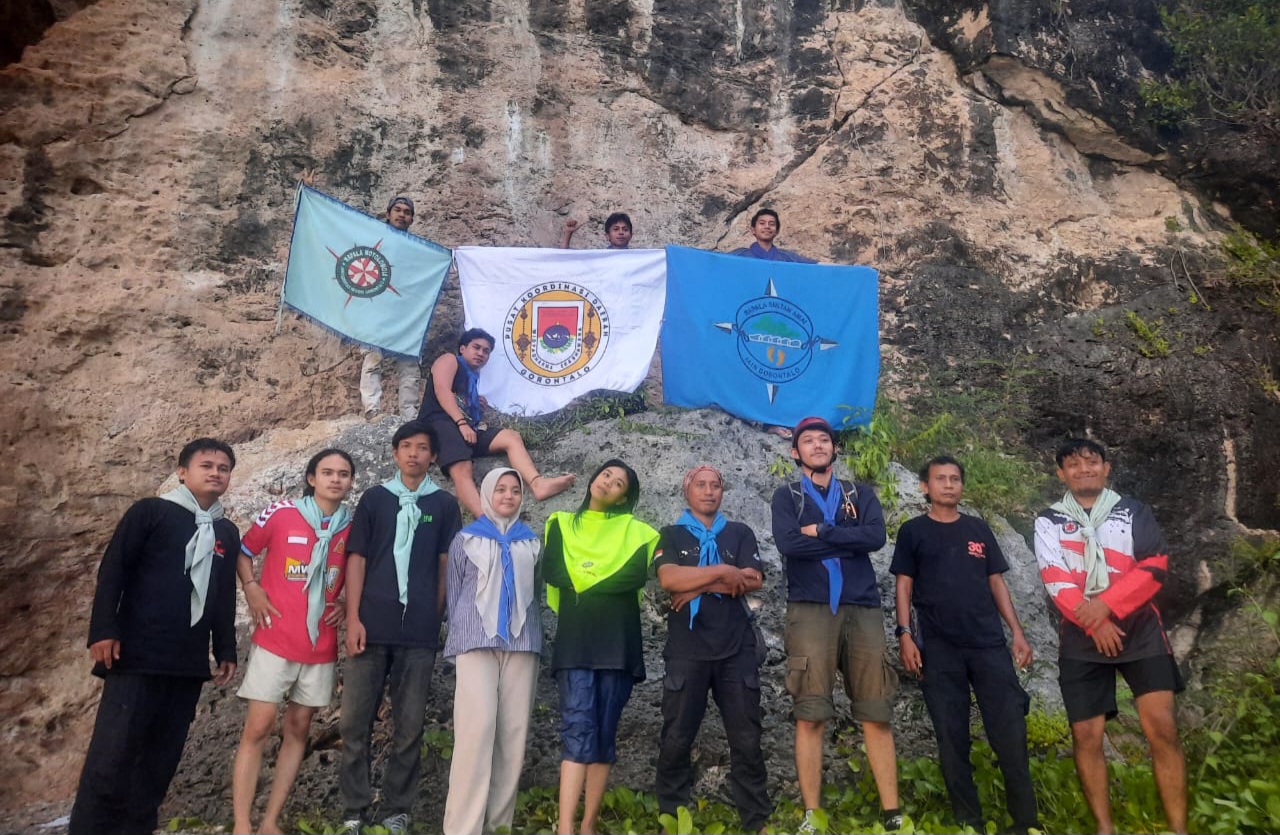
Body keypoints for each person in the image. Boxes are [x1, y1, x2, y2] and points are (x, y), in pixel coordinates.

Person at [69, 439, 240, 835]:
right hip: (136, 656)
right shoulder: (150, 512)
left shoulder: (226, 532)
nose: (216, 473)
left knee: (159, 763)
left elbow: (222, 594)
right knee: (111, 758)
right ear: (182, 472)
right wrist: (103, 630)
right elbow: (114, 569)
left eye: (223, 468)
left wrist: (225, 647)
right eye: (206, 465)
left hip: (186, 664)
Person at [1034, 438, 1186, 835]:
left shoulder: (1134, 511)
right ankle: (1105, 827)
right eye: (1073, 464)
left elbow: (1155, 564)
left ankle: (1179, 828)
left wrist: (1106, 607)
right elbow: (1054, 576)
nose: (1083, 469)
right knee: (1086, 735)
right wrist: (1095, 622)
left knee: (1162, 728)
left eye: (1091, 462)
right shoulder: (1048, 521)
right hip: (1081, 634)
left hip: (1140, 629)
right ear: (1061, 474)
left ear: (1106, 468)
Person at [891, 455, 1040, 835]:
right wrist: (905, 634)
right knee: (951, 736)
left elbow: (996, 582)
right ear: (925, 487)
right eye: (940, 479)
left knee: (1010, 732)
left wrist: (1017, 632)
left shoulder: (978, 529)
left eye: (955, 478)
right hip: (939, 648)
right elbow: (904, 584)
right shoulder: (913, 531)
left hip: (988, 644)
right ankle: (969, 822)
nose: (948, 485)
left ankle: (1025, 821)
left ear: (962, 485)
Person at [769, 416, 900, 834]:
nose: (818, 445)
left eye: (824, 439)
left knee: (876, 711)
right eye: (808, 440)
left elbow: (875, 537)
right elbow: (789, 544)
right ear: (795, 452)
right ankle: (813, 814)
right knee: (810, 712)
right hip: (810, 609)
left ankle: (893, 814)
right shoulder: (787, 497)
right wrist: (846, 538)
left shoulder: (859, 494)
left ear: (835, 448)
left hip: (862, 607)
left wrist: (823, 530)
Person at [338, 422, 462, 835]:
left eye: (422, 447)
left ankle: (397, 809)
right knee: (354, 723)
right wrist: (353, 618)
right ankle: (354, 810)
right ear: (394, 454)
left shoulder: (443, 504)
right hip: (370, 626)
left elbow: (446, 564)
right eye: (406, 446)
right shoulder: (375, 499)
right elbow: (356, 558)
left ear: (433, 456)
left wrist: (435, 616)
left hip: (418, 634)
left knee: (410, 726)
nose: (413, 454)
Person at [231, 448, 357, 835]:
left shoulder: (353, 526)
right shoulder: (282, 512)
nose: (335, 479)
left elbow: (360, 571)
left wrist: (346, 604)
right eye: (327, 472)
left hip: (320, 645)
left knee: (299, 728)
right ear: (311, 478)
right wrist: (251, 587)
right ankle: (241, 823)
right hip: (275, 636)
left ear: (351, 482)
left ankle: (270, 821)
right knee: (259, 726)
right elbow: (244, 551)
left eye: (343, 474)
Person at [654, 465, 772, 833]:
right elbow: (669, 578)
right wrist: (724, 572)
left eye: (715, 485)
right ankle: (672, 817)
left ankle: (756, 819)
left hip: (736, 650)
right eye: (701, 485)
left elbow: (752, 579)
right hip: (687, 650)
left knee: (747, 737)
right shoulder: (671, 534)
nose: (709, 491)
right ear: (686, 491)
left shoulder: (739, 533)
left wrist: (697, 586)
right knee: (676, 737)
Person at [544, 459, 659, 835]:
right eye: (606, 474)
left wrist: (584, 578)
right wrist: (596, 577)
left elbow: (633, 576)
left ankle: (588, 825)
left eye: (618, 483)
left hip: (617, 643)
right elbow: (553, 571)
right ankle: (565, 827)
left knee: (605, 734)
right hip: (576, 642)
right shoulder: (560, 523)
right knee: (577, 729)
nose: (608, 482)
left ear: (624, 498)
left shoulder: (637, 532)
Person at [442, 468, 543, 835]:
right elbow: (454, 592)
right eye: (500, 489)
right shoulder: (466, 540)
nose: (508, 496)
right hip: (475, 641)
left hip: (522, 643)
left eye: (515, 490)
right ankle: (463, 828)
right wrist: (463, 632)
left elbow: (536, 593)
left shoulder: (531, 543)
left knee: (513, 733)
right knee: (476, 730)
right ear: (486, 494)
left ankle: (499, 825)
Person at [419, 327, 575, 519]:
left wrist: (474, 407)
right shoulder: (448, 360)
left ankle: (537, 484)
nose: (481, 353)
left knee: (510, 437)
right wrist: (461, 422)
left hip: (465, 430)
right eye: (476, 347)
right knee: (462, 467)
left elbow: (459, 400)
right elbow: (442, 390)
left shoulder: (472, 378)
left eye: (486, 351)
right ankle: (486, 520)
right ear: (462, 348)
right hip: (438, 424)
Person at [359, 195, 423, 420]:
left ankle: (409, 415)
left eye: (407, 212)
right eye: (398, 210)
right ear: (388, 214)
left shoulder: (419, 249)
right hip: (376, 310)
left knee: (410, 366)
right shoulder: (374, 240)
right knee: (372, 359)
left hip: (407, 314)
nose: (402, 215)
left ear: (412, 219)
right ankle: (372, 408)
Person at [730, 208, 816, 264]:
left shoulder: (787, 257)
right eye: (762, 223)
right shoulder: (738, 256)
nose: (767, 227)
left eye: (771, 224)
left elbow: (816, 265)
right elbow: (721, 262)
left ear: (777, 231)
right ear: (753, 230)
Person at [560, 212, 633, 249]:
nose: (621, 232)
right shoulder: (600, 257)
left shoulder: (636, 259)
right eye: (616, 229)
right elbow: (565, 258)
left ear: (631, 235)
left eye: (625, 229)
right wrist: (568, 233)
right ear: (607, 236)